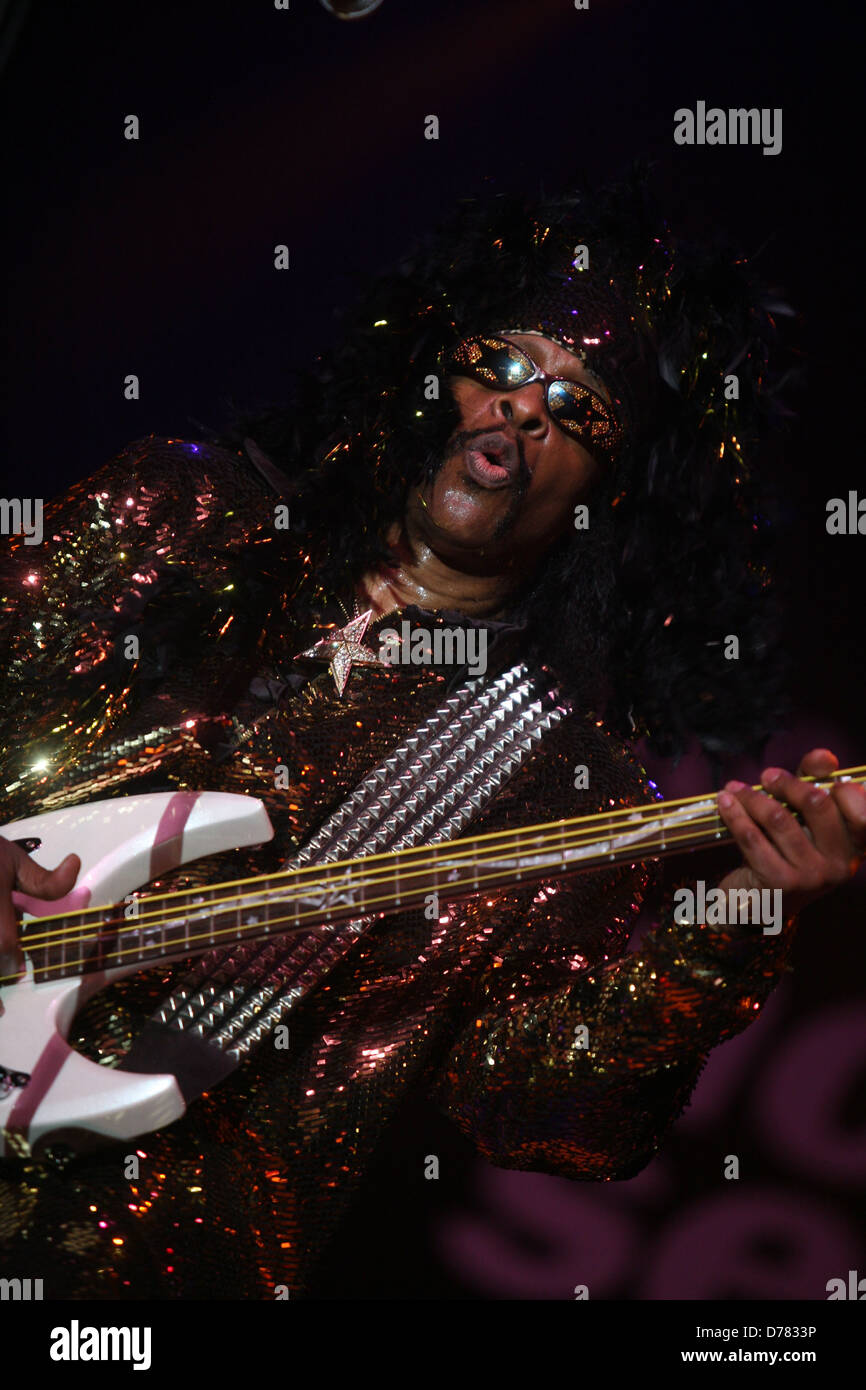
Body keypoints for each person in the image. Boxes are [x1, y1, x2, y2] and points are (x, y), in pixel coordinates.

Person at [1, 177, 864, 1299]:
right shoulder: (177, 514)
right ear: (428, 372)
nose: (522, 410)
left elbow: (552, 1115)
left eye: (579, 406)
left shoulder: (562, 778)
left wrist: (742, 920)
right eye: (499, 368)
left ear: (613, 494)